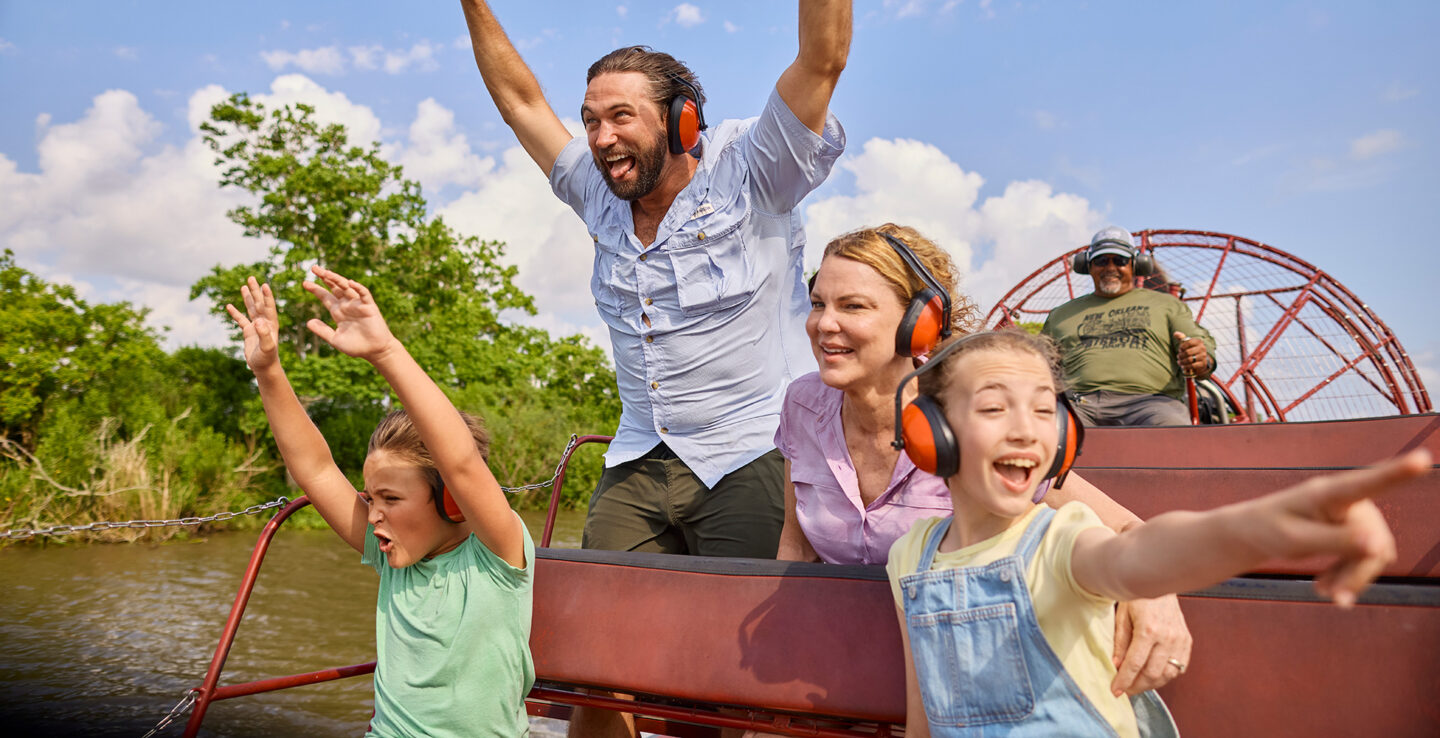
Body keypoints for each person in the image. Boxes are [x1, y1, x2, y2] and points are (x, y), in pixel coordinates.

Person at [459, 0, 851, 562]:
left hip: (750, 449)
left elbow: (822, 61)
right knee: (601, 611)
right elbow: (520, 102)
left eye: (620, 116)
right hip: (639, 454)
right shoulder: (594, 188)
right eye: (591, 120)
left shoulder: (755, 167)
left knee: (746, 632)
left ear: (680, 119)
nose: (599, 137)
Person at [887, 329, 1424, 736]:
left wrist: (1267, 527)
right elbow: (923, 714)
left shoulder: (1063, 539)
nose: (1027, 428)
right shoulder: (910, 556)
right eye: (993, 407)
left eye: (1046, 410)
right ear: (930, 434)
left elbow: (1144, 553)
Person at [777, 224, 1192, 696]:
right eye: (817, 304)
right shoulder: (803, 405)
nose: (823, 324)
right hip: (836, 667)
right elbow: (796, 546)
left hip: (963, 677)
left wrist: (1154, 591)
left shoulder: (974, 420)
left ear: (920, 322)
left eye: (852, 306)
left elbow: (1126, 529)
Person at [226, 268, 533, 738]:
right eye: (370, 498)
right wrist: (268, 372)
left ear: (452, 500)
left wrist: (386, 351)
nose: (373, 515)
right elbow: (317, 469)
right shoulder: (394, 557)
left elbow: (462, 464)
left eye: (390, 498)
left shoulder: (498, 556)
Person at [1041, 226, 1216, 426]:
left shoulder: (1166, 305)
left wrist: (1200, 358)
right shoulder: (1061, 314)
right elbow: (1039, 363)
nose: (1110, 267)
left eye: (1120, 261)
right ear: (1088, 265)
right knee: (1047, 427)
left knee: (1170, 428)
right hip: (1079, 405)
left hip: (1150, 403)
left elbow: (1198, 347)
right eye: (1101, 261)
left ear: (1136, 265)